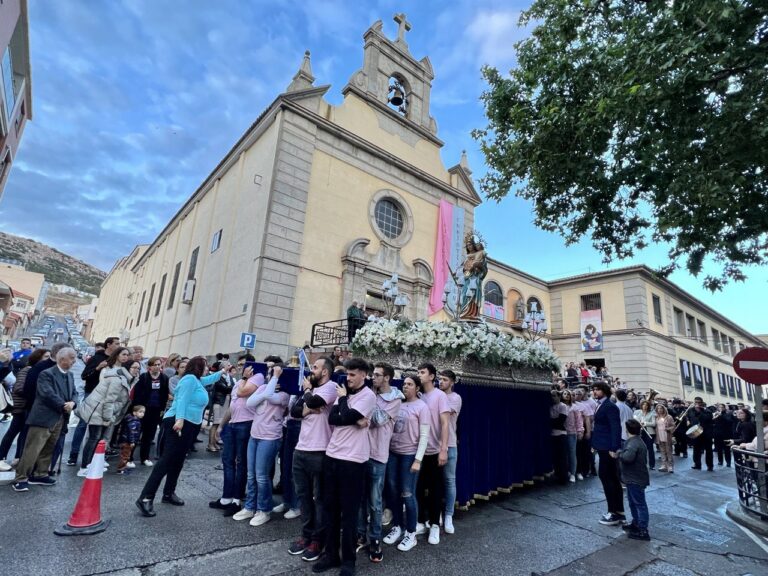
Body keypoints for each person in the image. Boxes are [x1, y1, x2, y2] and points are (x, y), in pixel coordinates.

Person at [136, 356, 227, 517]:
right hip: (179, 422)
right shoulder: (190, 379)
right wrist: (179, 420)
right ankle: (145, 497)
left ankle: (168, 493)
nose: (207, 369)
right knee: (166, 460)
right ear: (198, 367)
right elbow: (183, 400)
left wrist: (222, 371)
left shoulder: (198, 380)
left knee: (177, 461)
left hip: (190, 423)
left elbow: (209, 379)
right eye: (205, 366)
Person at [311, 357, 376, 576]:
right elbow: (334, 420)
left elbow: (348, 416)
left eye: (353, 374)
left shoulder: (368, 396)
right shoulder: (345, 395)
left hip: (354, 461)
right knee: (330, 510)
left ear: (364, 375)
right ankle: (331, 555)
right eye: (347, 374)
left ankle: (349, 561)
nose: (348, 378)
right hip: (332, 456)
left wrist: (344, 402)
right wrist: (348, 412)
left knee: (349, 514)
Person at [287, 357, 339, 562]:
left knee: (320, 499)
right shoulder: (313, 390)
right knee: (303, 496)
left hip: (320, 450)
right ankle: (306, 534)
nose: (311, 371)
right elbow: (295, 411)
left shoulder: (331, 387)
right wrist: (308, 405)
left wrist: (308, 395)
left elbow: (314, 403)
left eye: (315, 368)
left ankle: (318, 538)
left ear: (325, 372)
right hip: (301, 449)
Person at [12, 347, 77, 492]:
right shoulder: (46, 374)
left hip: (59, 417)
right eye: (72, 357)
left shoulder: (70, 375)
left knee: (49, 447)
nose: (75, 361)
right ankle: (21, 478)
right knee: (32, 449)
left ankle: (40, 474)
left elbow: (74, 392)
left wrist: (73, 402)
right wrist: (63, 405)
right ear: (61, 359)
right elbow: (46, 393)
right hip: (43, 417)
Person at [233, 360, 289, 527]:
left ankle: (264, 510)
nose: (270, 373)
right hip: (254, 435)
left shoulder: (285, 394)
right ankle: (250, 506)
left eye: (274, 371)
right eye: (270, 371)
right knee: (251, 475)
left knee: (261, 476)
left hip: (270, 437)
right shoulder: (265, 387)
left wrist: (274, 381)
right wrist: (266, 388)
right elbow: (250, 402)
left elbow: (271, 396)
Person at [357, 361, 403, 562]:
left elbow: (376, 420)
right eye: (372, 375)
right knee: (359, 499)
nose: (372, 378)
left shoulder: (395, 398)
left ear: (387, 378)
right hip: (360, 452)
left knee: (375, 502)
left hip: (378, 456)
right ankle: (360, 533)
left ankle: (375, 539)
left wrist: (367, 403)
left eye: (377, 375)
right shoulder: (369, 394)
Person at [383, 373, 429, 552]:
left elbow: (424, 435)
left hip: (410, 455)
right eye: (404, 384)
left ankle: (410, 533)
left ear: (417, 388)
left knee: (407, 493)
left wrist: (418, 459)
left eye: (410, 384)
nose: (405, 387)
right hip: (393, 453)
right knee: (393, 491)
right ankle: (397, 526)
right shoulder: (398, 403)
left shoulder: (422, 407)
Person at [75, 346, 132, 476]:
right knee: (94, 438)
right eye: (123, 354)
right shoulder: (113, 374)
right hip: (99, 409)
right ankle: (84, 466)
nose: (125, 357)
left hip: (103, 409)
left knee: (99, 438)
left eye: (127, 355)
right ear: (117, 355)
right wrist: (107, 418)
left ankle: (92, 464)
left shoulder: (122, 373)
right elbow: (109, 398)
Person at [211, 364, 256, 516]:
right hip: (232, 424)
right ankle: (226, 498)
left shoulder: (257, 380)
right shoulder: (238, 382)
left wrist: (245, 378)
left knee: (241, 462)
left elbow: (243, 393)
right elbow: (233, 405)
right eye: (242, 365)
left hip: (246, 424)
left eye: (247, 366)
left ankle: (236, 500)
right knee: (227, 461)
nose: (243, 368)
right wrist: (221, 425)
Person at [68, 336, 120, 466]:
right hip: (91, 394)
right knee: (83, 424)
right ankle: (73, 455)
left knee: (101, 429)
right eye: (116, 343)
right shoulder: (96, 358)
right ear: (108, 345)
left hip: (106, 397)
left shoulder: (115, 361)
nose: (119, 345)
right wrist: (97, 368)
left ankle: (95, 458)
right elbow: (84, 375)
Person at [415, 362, 450, 545]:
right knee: (419, 488)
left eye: (422, 372)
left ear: (431, 376)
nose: (419, 375)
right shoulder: (418, 395)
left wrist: (443, 449)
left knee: (435, 490)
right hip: (418, 451)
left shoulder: (440, 396)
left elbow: (445, 423)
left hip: (435, 450)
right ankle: (421, 521)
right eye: (418, 372)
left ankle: (435, 524)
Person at [0, 348, 50, 471]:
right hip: (21, 407)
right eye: (45, 357)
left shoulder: (40, 371)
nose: (48, 360)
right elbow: (19, 388)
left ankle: (17, 458)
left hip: (28, 407)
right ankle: (2, 457)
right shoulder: (28, 370)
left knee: (23, 434)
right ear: (37, 358)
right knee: (13, 433)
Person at [591, 381, 625, 526]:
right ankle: (617, 511)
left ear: (604, 390)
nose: (594, 392)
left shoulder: (610, 406)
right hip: (602, 446)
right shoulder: (601, 404)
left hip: (608, 448)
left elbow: (615, 428)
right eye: (593, 389)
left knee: (609, 478)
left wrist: (614, 447)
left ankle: (614, 512)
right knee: (608, 478)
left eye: (597, 389)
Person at [131, 357, 170, 466]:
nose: (157, 366)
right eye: (155, 364)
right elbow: (137, 394)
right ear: (150, 366)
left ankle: (145, 458)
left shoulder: (164, 378)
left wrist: (162, 409)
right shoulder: (144, 377)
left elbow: (165, 394)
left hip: (156, 409)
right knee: (136, 434)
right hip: (143, 409)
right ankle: (129, 458)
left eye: (159, 364)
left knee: (149, 435)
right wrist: (137, 409)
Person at [437, 369, 462, 533]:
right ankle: (436, 513)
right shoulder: (435, 395)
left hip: (450, 444)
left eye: (445, 380)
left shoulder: (455, 398)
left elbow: (444, 415)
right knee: (434, 482)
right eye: (440, 379)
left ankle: (448, 515)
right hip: (433, 444)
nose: (441, 382)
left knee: (449, 481)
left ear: (452, 382)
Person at [619, 419, 651, 541]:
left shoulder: (633, 443)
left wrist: (619, 454)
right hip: (634, 477)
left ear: (627, 430)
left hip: (635, 478)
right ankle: (636, 523)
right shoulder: (636, 441)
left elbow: (628, 458)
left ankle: (643, 529)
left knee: (639, 503)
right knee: (633, 502)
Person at [207, 368, 233, 452]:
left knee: (219, 424)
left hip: (225, 403)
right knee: (215, 424)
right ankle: (210, 444)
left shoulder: (229, 378)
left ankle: (214, 443)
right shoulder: (219, 377)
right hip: (219, 402)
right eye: (227, 366)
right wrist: (232, 387)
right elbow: (226, 389)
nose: (229, 367)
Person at [562, 389, 583, 483]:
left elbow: (579, 420)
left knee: (572, 454)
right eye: (564, 394)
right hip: (562, 432)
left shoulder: (574, 407)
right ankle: (565, 471)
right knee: (564, 454)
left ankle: (573, 473)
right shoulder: (560, 406)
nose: (566, 395)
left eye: (568, 394)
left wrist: (580, 431)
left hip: (572, 433)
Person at [572, 388, 594, 479]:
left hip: (581, 430)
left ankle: (581, 471)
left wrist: (588, 432)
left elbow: (588, 419)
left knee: (581, 452)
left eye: (578, 394)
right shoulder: (568, 405)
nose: (576, 396)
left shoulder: (584, 406)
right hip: (570, 430)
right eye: (574, 394)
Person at [117, 405, 145, 474]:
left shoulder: (131, 420)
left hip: (125, 440)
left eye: (143, 412)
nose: (142, 414)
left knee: (125, 455)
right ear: (134, 413)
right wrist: (132, 441)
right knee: (125, 456)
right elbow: (132, 432)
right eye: (140, 412)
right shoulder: (134, 421)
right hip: (127, 441)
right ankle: (121, 469)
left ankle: (122, 468)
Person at [688, 397, 714, 471]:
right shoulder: (691, 410)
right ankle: (697, 464)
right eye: (696, 402)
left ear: (702, 403)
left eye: (699, 402)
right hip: (696, 433)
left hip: (706, 433)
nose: (697, 404)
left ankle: (710, 466)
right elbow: (690, 418)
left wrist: (699, 411)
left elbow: (707, 419)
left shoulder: (707, 411)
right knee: (696, 449)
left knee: (708, 450)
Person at [550, 390, 569, 484]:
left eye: (554, 395)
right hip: (553, 434)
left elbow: (561, 420)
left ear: (558, 396)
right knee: (555, 456)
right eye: (551, 396)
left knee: (562, 457)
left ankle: (563, 477)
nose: (552, 397)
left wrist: (551, 422)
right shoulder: (551, 407)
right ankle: (557, 475)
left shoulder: (563, 406)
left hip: (561, 434)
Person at [633, 400, 657, 470]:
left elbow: (654, 423)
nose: (645, 406)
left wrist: (645, 423)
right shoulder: (638, 412)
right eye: (643, 405)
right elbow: (635, 421)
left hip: (650, 433)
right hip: (641, 432)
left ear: (648, 406)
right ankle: (643, 464)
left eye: (646, 405)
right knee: (642, 449)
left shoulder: (652, 413)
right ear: (641, 405)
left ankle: (652, 465)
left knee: (650, 449)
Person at [655, 404, 675, 473]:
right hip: (659, 436)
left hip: (667, 435)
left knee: (669, 451)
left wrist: (668, 429)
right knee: (662, 451)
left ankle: (670, 466)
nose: (660, 410)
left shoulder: (669, 417)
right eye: (658, 408)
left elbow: (673, 426)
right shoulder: (656, 417)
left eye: (661, 408)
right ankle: (664, 465)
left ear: (664, 409)